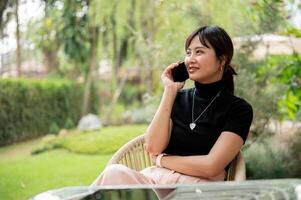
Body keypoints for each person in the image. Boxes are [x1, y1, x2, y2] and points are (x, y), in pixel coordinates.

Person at [91, 25, 253, 187]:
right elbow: (153, 147)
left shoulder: (238, 110)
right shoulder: (177, 99)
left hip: (198, 189)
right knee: (114, 172)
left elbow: (211, 166)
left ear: (222, 60)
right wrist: (169, 91)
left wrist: (162, 160)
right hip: (158, 181)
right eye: (188, 52)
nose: (190, 59)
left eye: (199, 52)